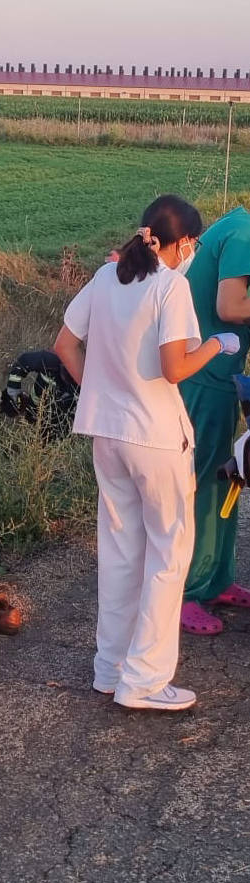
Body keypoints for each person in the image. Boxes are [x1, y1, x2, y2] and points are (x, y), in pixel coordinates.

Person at [52, 195, 239, 711]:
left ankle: (110, 670)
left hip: (106, 436)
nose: (193, 253)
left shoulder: (106, 276)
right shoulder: (169, 285)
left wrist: (101, 389)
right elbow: (174, 368)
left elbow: (65, 344)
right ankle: (147, 680)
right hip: (155, 438)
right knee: (168, 554)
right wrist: (217, 346)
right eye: (193, 244)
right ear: (181, 243)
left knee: (119, 553)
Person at [176, 206, 250, 635]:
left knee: (229, 477)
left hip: (224, 375)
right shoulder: (243, 233)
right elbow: (231, 304)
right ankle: (186, 591)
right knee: (202, 484)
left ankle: (218, 578)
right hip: (205, 375)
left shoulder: (237, 226)